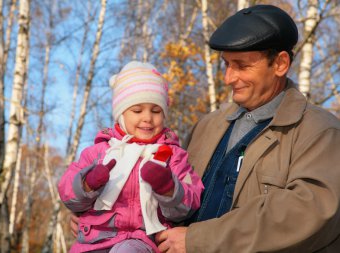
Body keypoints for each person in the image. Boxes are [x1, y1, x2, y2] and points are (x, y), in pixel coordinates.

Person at [154, 4, 340, 253]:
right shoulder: (205, 127)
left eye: (241, 66)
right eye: (226, 64)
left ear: (280, 64)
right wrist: (90, 212)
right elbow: (167, 192)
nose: (229, 78)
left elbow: (309, 212)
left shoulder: (320, 131)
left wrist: (200, 239)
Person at [58, 61, 204, 253]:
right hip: (93, 240)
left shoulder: (172, 156)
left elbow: (189, 204)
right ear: (121, 114)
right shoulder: (100, 152)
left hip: (143, 241)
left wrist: (168, 189)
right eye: (137, 110)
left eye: (156, 110)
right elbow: (68, 195)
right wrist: (88, 184)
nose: (147, 118)